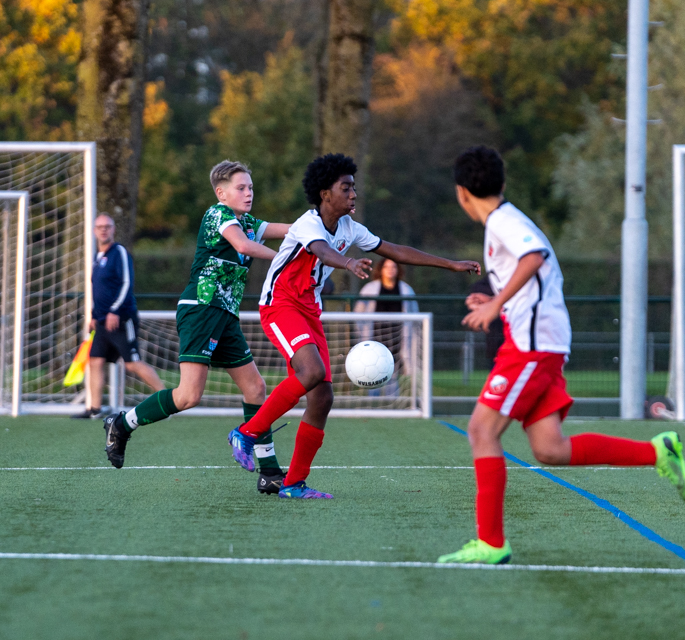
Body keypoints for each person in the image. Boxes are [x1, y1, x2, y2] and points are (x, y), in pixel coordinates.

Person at [437, 146, 685, 565]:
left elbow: (535, 257)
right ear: (501, 182)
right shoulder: (506, 219)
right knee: (550, 449)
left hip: (532, 346)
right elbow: (536, 267)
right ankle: (658, 451)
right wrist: (498, 298)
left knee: (482, 431)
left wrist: (496, 305)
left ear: (462, 193)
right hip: (542, 342)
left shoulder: (502, 220)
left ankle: (491, 543)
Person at [226, 153, 480, 499]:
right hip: (280, 305)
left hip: (309, 310)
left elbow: (395, 250)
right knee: (312, 372)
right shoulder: (308, 224)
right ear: (325, 193)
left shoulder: (349, 228)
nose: (353, 194)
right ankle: (247, 432)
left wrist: (449, 264)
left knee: (323, 398)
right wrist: (347, 262)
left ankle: (294, 483)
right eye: (346, 188)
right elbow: (321, 251)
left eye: (354, 188)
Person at [103, 161, 292, 496]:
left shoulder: (247, 221)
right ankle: (122, 423)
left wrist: (323, 229)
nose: (249, 193)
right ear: (221, 193)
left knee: (255, 388)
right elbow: (244, 247)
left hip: (224, 315)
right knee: (188, 396)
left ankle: (270, 473)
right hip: (202, 310)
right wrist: (286, 262)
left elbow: (289, 229)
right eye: (241, 188)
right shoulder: (218, 215)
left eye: (251, 187)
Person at [72, 214, 165, 419]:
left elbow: (126, 284)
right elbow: (98, 289)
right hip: (102, 322)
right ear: (94, 230)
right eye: (100, 227)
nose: (103, 230)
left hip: (121, 319)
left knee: (132, 363)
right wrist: (94, 315)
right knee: (95, 360)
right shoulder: (97, 257)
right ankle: (94, 409)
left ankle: (167, 401)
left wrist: (114, 310)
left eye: (107, 226)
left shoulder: (119, 252)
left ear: (113, 229)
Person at [353, 258, 418, 395]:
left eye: (393, 266)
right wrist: (362, 334)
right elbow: (358, 313)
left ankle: (393, 402)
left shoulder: (406, 290)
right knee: (374, 370)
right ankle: (373, 402)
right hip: (375, 337)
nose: (390, 269)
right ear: (381, 270)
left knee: (393, 371)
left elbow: (415, 315)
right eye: (386, 267)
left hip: (397, 337)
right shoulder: (370, 289)